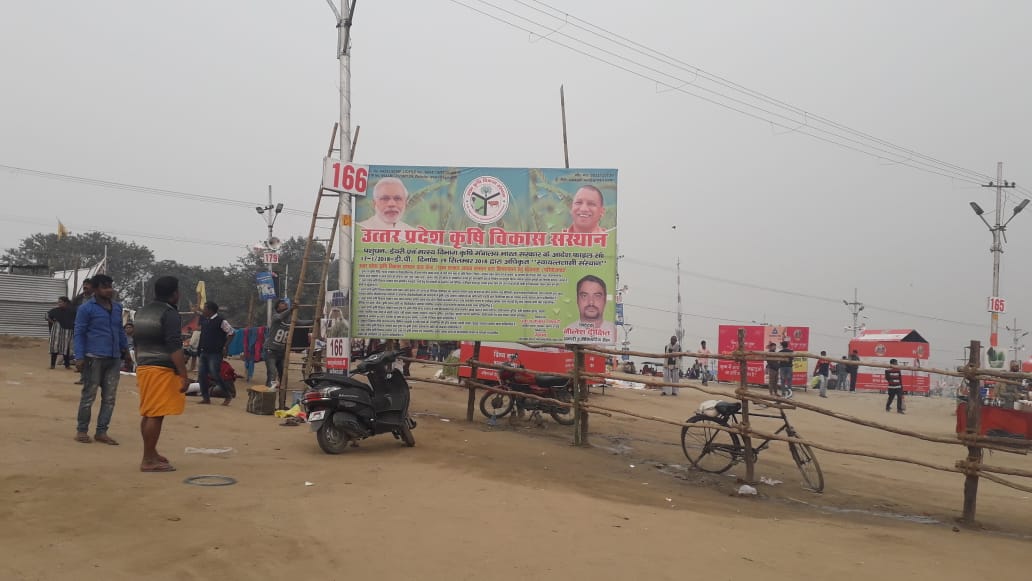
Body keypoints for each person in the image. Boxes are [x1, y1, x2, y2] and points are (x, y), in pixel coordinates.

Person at [134, 275, 190, 472]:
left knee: (149, 411)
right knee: (156, 414)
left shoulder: (142, 311)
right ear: (175, 294)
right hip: (161, 367)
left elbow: (136, 340)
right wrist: (183, 374)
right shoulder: (170, 313)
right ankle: (148, 460)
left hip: (143, 366)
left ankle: (151, 452)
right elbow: (174, 345)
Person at [72, 274, 130, 445]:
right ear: (96, 290)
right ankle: (82, 430)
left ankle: (102, 432)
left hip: (113, 358)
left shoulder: (117, 308)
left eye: (110, 286)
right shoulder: (86, 309)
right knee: (89, 395)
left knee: (110, 397)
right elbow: (79, 333)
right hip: (93, 358)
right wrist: (79, 357)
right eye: (105, 287)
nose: (109, 290)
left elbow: (120, 330)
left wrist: (126, 350)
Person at [265, 299, 311, 388]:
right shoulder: (275, 316)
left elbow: (302, 323)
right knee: (272, 373)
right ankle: (268, 393)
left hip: (281, 352)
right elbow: (279, 317)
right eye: (282, 303)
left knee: (283, 374)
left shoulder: (291, 319)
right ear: (277, 308)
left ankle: (281, 394)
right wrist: (290, 309)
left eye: (285, 303)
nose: (285, 304)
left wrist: (315, 320)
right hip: (270, 350)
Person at [196, 301, 235, 405]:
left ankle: (227, 394)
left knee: (215, 374)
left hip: (215, 353)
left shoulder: (221, 321)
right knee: (202, 375)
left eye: (204, 308)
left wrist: (225, 346)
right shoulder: (204, 320)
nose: (203, 310)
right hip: (204, 351)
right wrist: (199, 349)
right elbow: (202, 336)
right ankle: (206, 398)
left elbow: (231, 332)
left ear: (210, 310)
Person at [562, 275, 617, 343]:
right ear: (577, 300)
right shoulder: (566, 333)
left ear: (605, 300)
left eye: (597, 296)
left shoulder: (614, 332)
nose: (591, 302)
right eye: (584, 296)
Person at [46, 296, 76, 369]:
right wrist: (52, 322)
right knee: (54, 347)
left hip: (67, 331)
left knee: (66, 348)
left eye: (60, 302)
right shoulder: (55, 310)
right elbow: (46, 315)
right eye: (58, 302)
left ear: (65, 303)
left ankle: (67, 365)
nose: (59, 303)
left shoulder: (71, 311)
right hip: (56, 331)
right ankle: (52, 365)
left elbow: (75, 320)